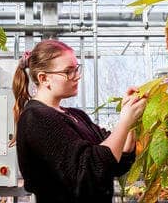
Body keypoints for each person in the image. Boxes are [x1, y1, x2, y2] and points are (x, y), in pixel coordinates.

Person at [12, 39, 147, 202]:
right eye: (68, 71)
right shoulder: (35, 118)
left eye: (76, 69)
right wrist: (125, 121)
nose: (77, 76)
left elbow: (115, 162)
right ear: (44, 78)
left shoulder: (77, 115)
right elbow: (89, 172)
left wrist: (130, 122)